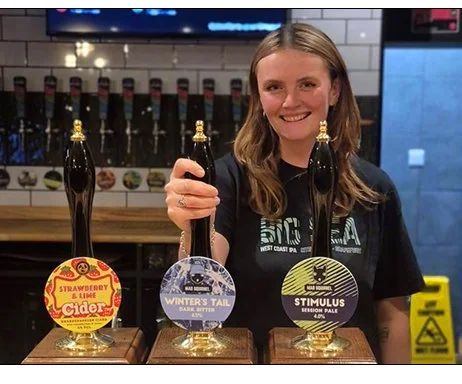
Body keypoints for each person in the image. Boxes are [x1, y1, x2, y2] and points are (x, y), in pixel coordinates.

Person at [163, 22, 424, 364]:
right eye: (274, 87)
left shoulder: (374, 187)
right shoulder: (228, 178)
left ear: (334, 91)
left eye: (307, 84)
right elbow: (203, 284)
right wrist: (194, 225)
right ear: (259, 98)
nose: (290, 101)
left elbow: (391, 312)